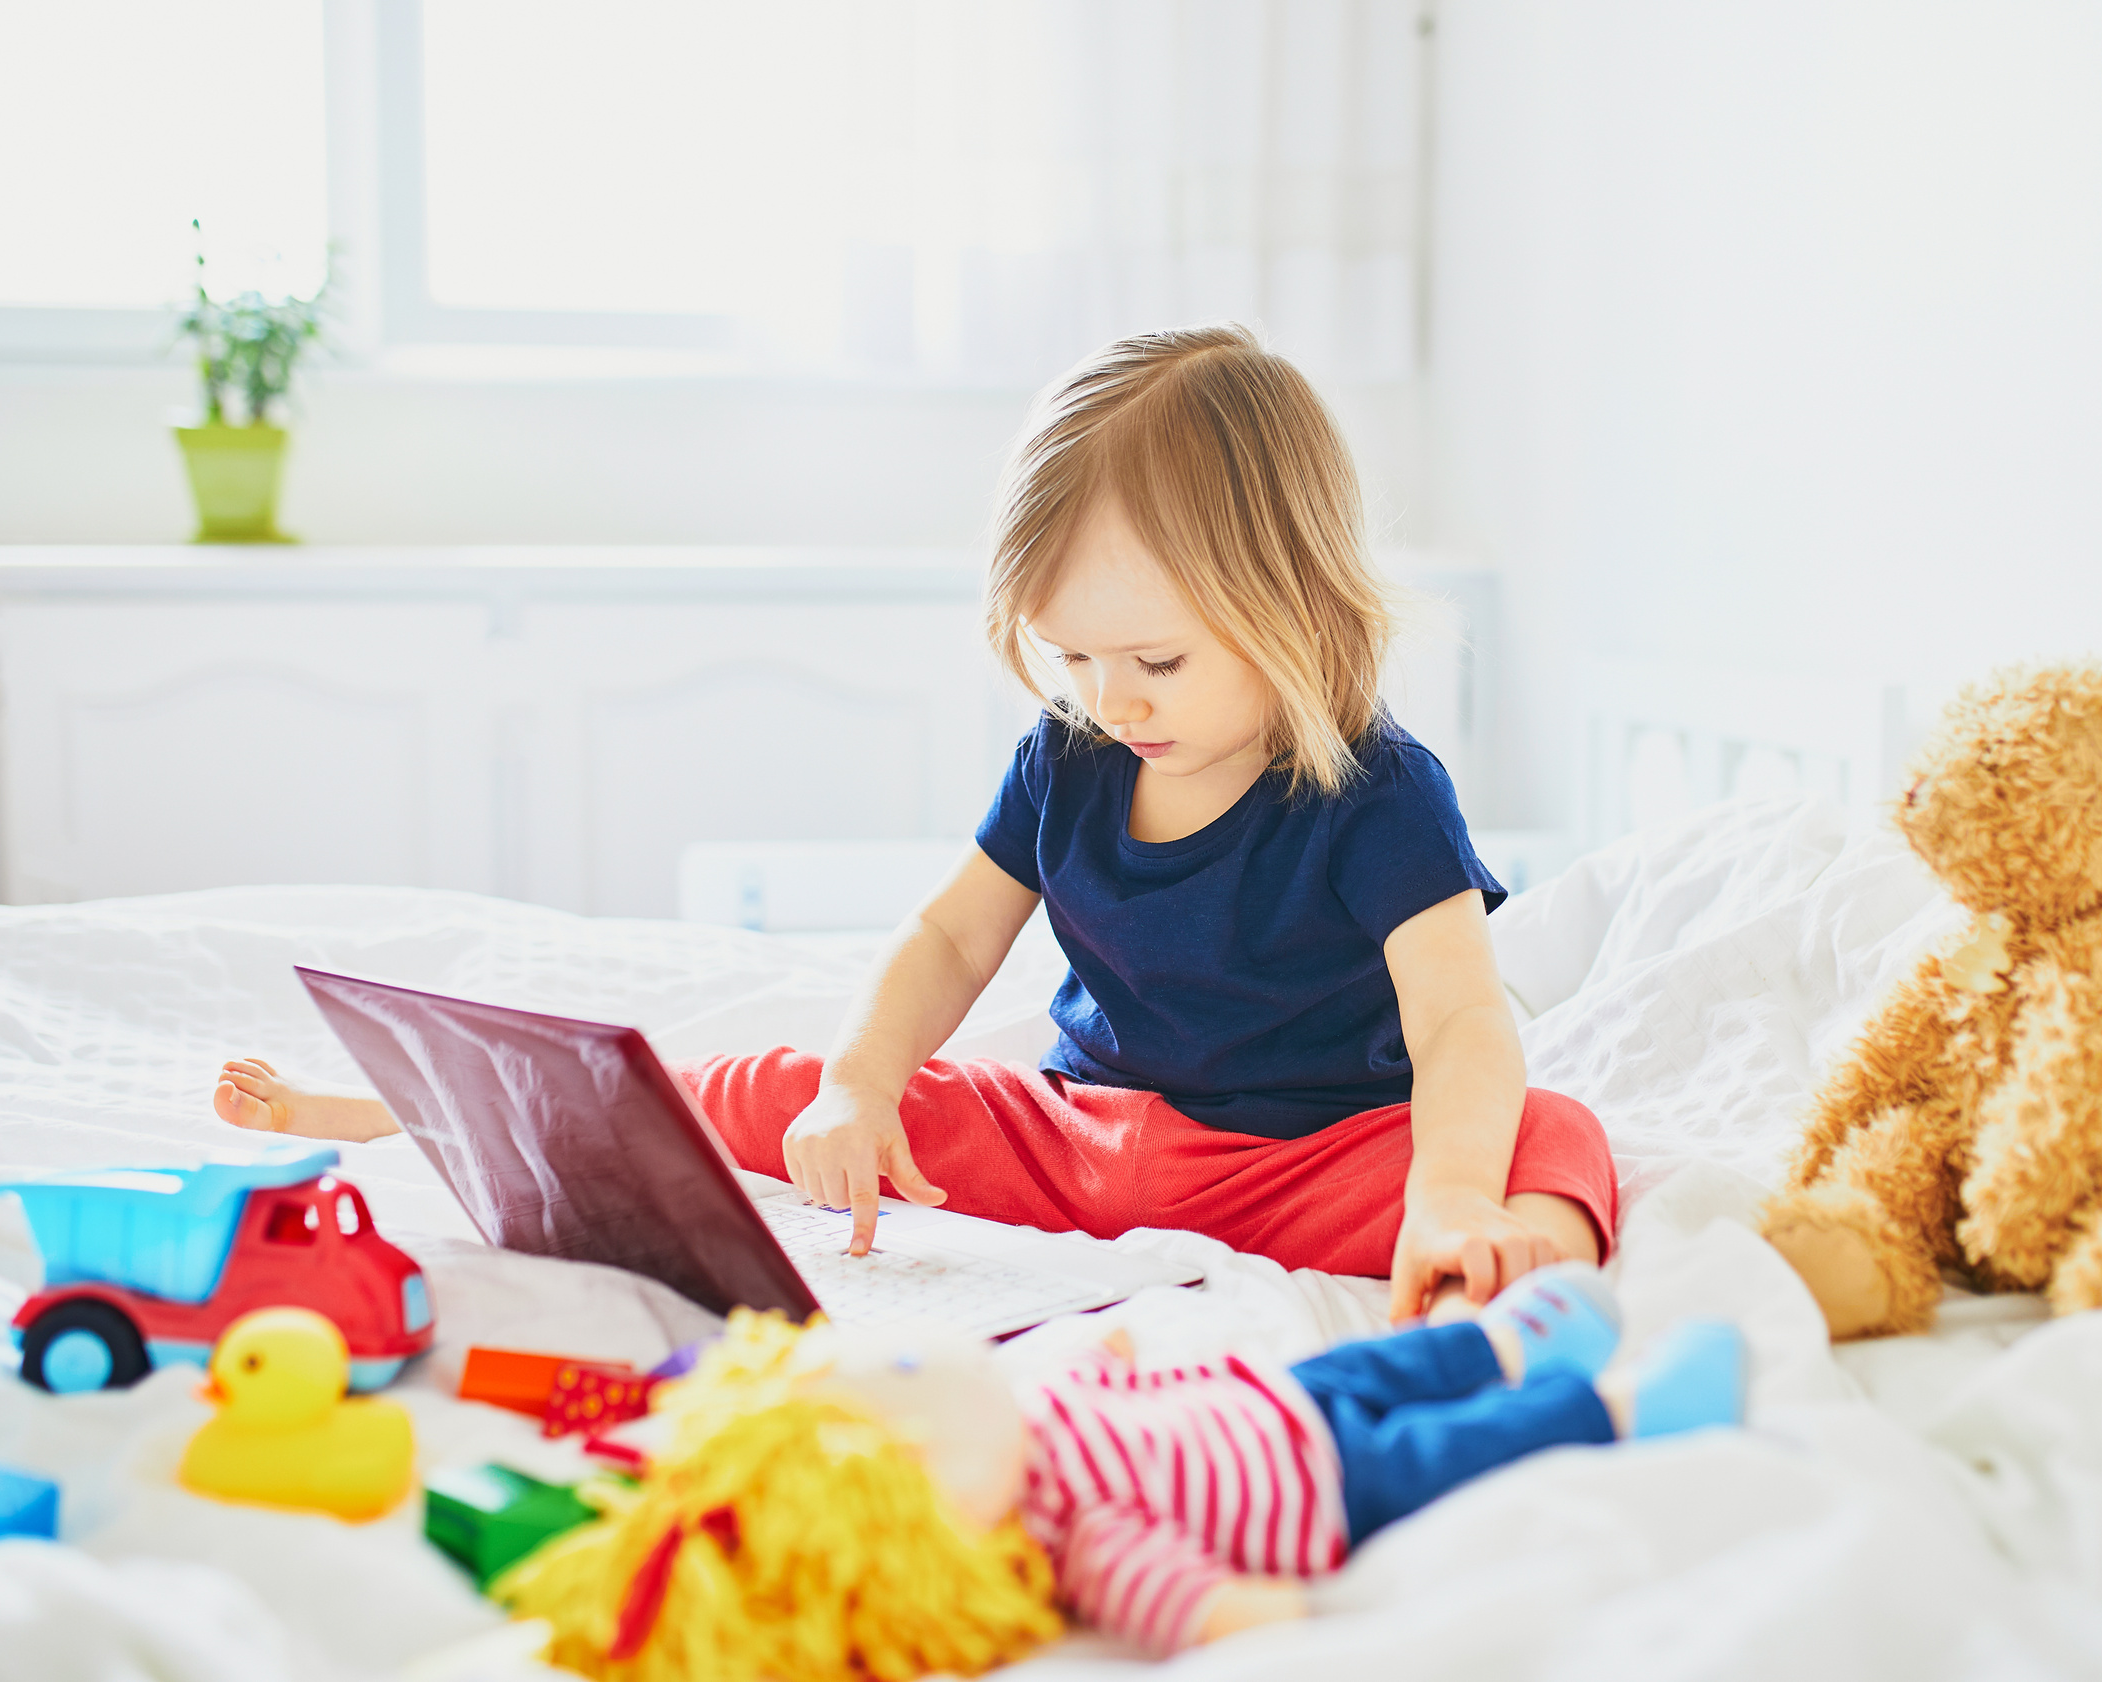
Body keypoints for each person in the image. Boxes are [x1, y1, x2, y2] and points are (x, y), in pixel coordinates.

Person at [214, 323, 1617, 1319]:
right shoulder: (1066, 760)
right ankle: (409, 1113)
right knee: (770, 1091)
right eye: (1071, 658)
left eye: (1156, 662)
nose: (1110, 699)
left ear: (1297, 601)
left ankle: (1493, 1279)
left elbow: (1456, 1024)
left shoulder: (1375, 787)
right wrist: (863, 1082)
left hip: (1303, 1162)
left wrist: (1443, 1192)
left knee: (1549, 1137)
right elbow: (949, 937)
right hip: (1080, 1138)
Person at [496, 1266, 1750, 1668]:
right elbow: (1160, 1585)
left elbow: (1087, 1384)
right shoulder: (1059, 1527)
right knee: (1447, 1442)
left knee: (1386, 1361)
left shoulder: (1027, 1415)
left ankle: (1501, 1335)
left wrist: (1109, 1343)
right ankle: (1616, 1402)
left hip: (1272, 1394)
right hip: (1323, 1486)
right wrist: (1245, 1611)